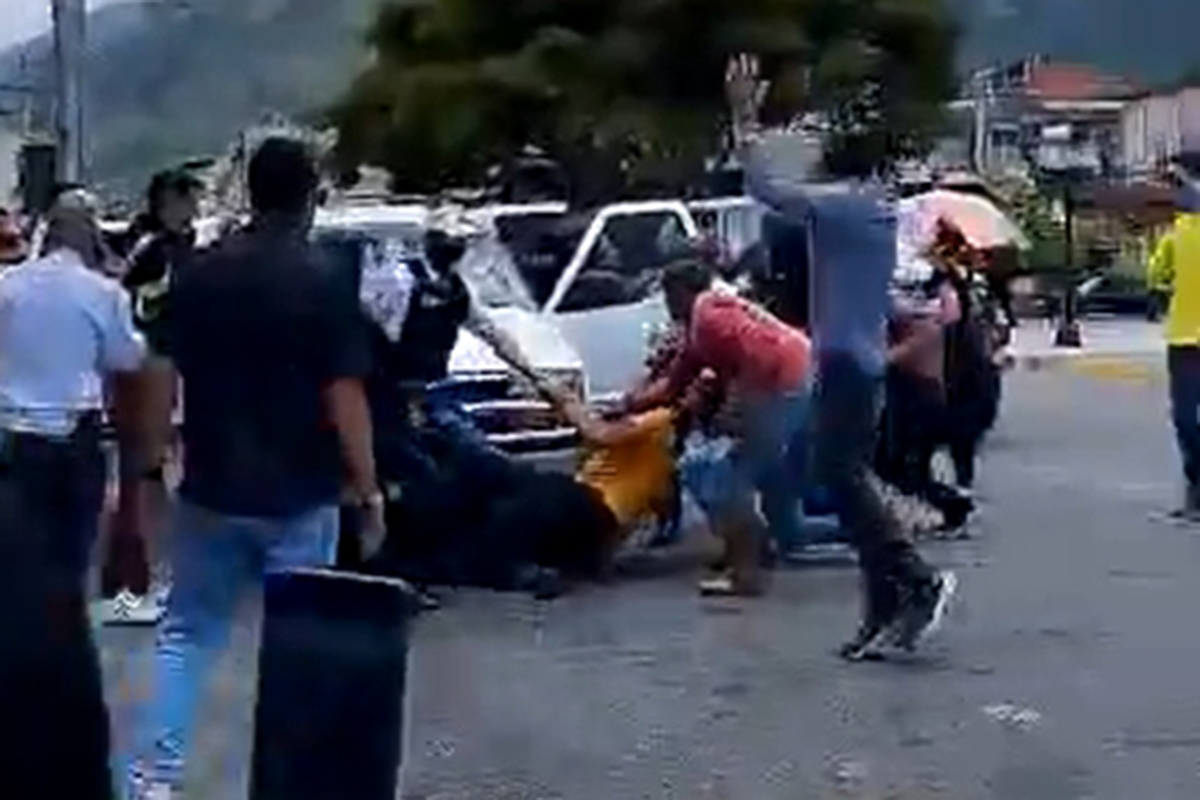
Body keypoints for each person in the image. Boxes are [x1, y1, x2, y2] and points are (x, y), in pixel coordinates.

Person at [127, 138, 384, 799]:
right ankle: (291, 784)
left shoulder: (200, 271)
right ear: (308, 197)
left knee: (186, 635)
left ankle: (149, 780)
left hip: (212, 487)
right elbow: (343, 392)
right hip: (301, 493)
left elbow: (159, 368)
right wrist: (368, 486)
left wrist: (152, 465)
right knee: (297, 651)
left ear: (251, 190)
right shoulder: (323, 276)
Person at [728, 54, 955, 658]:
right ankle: (884, 606)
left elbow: (764, 189)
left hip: (849, 365)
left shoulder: (847, 207)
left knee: (842, 478)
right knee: (843, 477)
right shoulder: (868, 205)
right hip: (852, 360)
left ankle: (915, 581)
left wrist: (744, 115)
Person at [0, 189, 147, 798]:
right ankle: (59, 653)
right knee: (66, 568)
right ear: (89, 237)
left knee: (17, 573)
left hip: (10, 445)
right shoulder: (103, 294)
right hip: (74, 447)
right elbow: (130, 361)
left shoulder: (7, 288)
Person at [625, 259, 812, 597]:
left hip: (784, 385)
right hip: (792, 379)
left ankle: (746, 573)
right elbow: (675, 382)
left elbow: (759, 359)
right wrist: (628, 404)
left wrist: (738, 408)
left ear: (681, 292)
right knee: (775, 510)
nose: (665, 305)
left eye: (667, 295)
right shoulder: (701, 321)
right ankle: (753, 550)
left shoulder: (708, 315)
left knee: (726, 480)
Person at [100, 168, 204, 626]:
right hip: (152, 370)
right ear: (168, 202)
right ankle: (127, 588)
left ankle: (146, 581)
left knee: (158, 485)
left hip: (176, 369)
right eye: (188, 200)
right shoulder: (152, 250)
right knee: (141, 484)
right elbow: (133, 307)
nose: (196, 210)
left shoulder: (184, 248)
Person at [876, 272, 975, 532]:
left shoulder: (926, 326)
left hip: (920, 396)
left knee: (905, 463)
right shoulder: (917, 322)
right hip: (913, 394)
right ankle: (947, 502)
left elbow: (894, 356)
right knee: (897, 463)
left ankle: (950, 502)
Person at [1148, 173, 1200, 519]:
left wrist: (1167, 292)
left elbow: (1155, 277)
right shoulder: (1176, 236)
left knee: (1184, 417)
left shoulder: (1175, 236)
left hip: (1184, 339)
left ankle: (1195, 485)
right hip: (1184, 338)